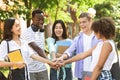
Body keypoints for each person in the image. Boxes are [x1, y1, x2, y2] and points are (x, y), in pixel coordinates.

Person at [57, 12, 100, 80]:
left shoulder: (98, 37)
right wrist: (62, 57)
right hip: (82, 72)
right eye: (80, 22)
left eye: (84, 22)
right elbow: (70, 51)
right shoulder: (78, 38)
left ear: (91, 21)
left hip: (95, 71)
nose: (81, 25)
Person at [21, 9, 49, 80]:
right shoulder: (26, 32)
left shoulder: (41, 32)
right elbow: (37, 48)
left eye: (42, 20)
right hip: (31, 70)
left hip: (42, 69)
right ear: (32, 19)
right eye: (38, 20)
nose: (41, 22)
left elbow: (41, 48)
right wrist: (50, 62)